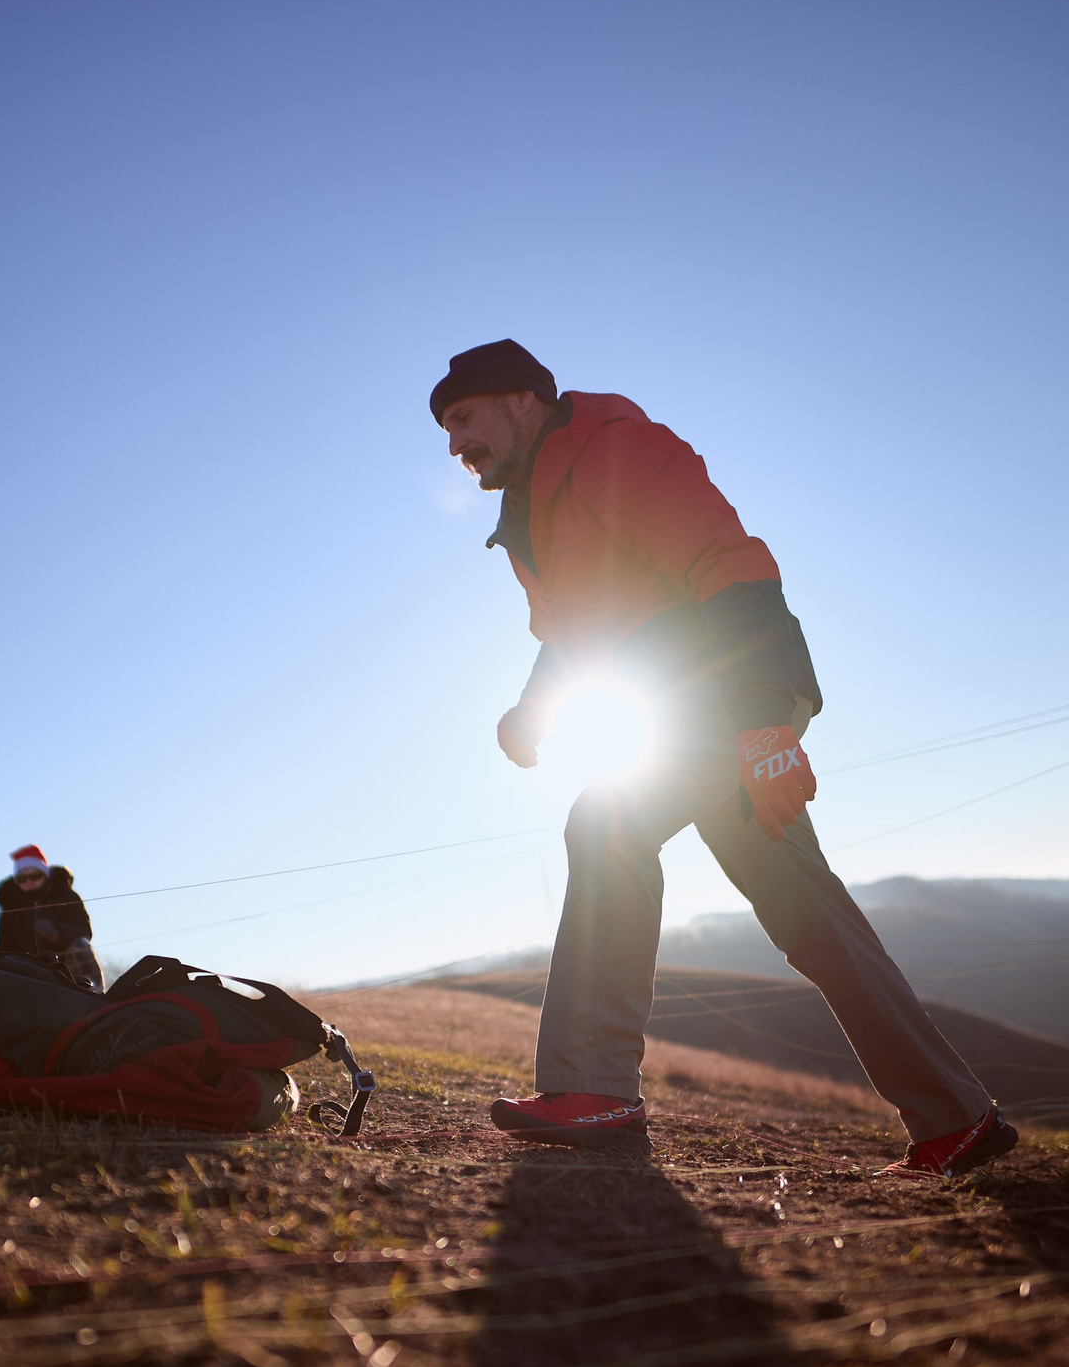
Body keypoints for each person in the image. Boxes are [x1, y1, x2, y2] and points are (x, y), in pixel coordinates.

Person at [432, 339, 1013, 1176]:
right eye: (447, 431)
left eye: (463, 418)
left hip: (722, 700)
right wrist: (534, 710)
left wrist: (766, 722)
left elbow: (733, 567)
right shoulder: (529, 516)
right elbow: (572, 636)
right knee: (810, 915)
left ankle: (596, 1084)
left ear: (521, 399)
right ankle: (957, 1116)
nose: (455, 444)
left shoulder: (615, 449)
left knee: (606, 824)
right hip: (678, 714)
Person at [0, 845, 102, 991]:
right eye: (22, 878)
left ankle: (92, 992)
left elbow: (83, 930)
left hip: (66, 967)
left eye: (35, 876)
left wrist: (56, 934)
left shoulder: (66, 896)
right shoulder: (10, 909)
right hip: (29, 972)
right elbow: (5, 948)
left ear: (45, 874)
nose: (29, 881)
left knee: (80, 945)